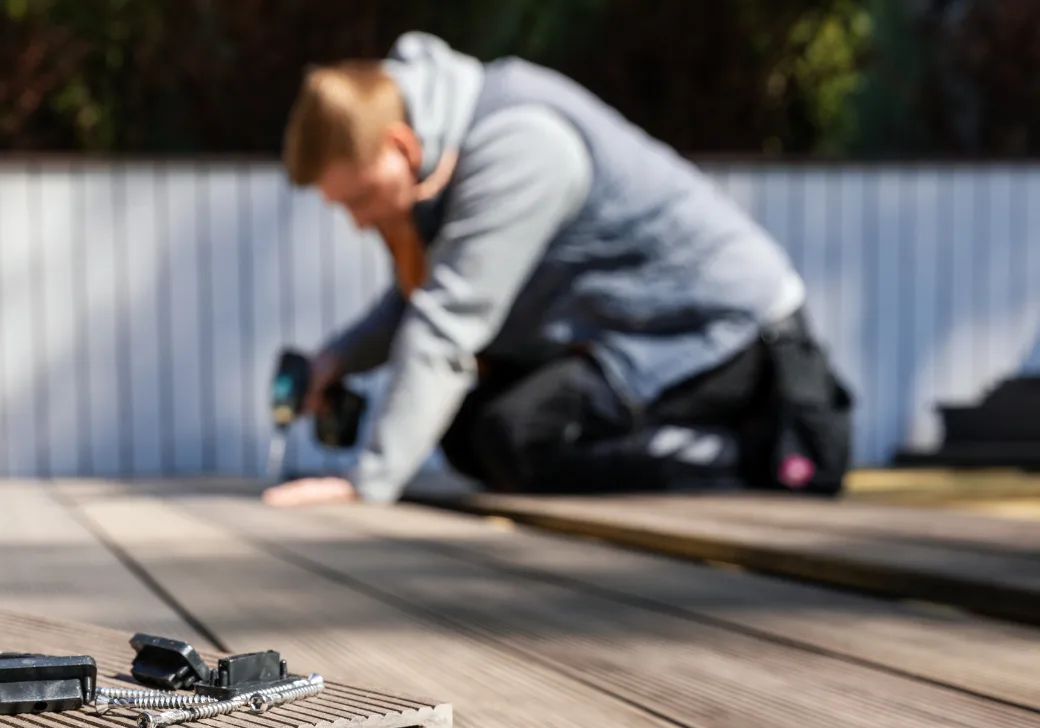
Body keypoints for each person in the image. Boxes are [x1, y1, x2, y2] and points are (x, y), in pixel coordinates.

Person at [263, 32, 852, 509]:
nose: (358, 222)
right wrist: (333, 362)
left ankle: (754, 452)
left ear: (402, 147)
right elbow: (420, 301)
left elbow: (448, 321)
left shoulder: (518, 146)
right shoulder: (445, 148)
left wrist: (367, 487)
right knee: (468, 432)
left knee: (513, 435)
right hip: (628, 336)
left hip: (718, 333)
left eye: (360, 199)